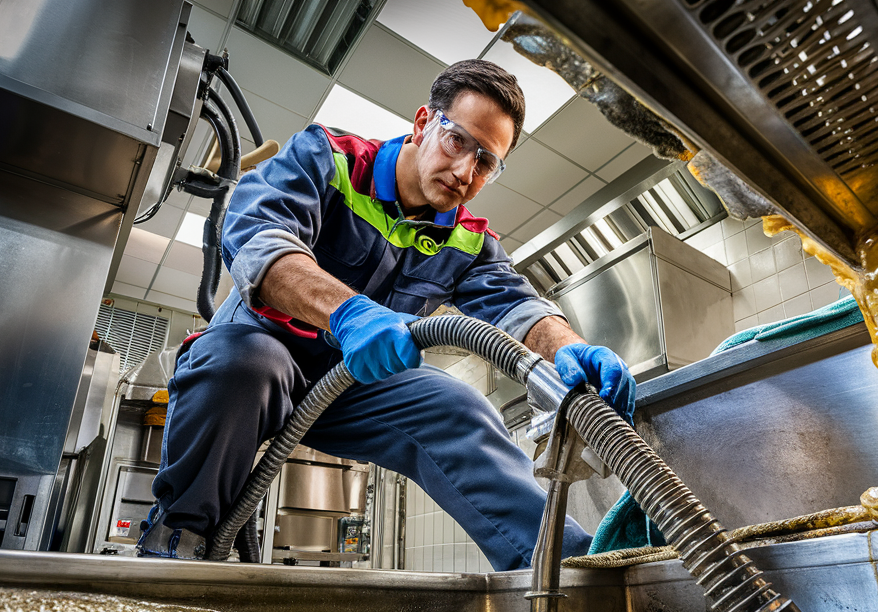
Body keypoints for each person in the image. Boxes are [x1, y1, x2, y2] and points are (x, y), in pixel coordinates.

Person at [137, 60, 636, 570]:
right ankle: (180, 542)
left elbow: (517, 305)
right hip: (255, 360)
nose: (465, 172)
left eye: (486, 162)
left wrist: (568, 347)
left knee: (457, 407)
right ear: (423, 124)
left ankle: (565, 572)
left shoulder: (466, 238)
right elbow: (257, 236)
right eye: (457, 141)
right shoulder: (327, 158)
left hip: (350, 384)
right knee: (246, 363)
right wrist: (348, 312)